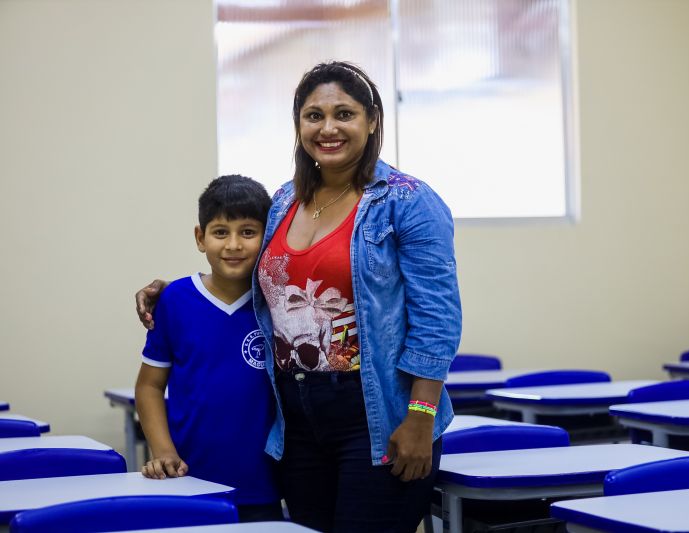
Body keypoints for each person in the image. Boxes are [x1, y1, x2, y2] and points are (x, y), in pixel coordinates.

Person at [136, 61, 461, 533]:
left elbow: (437, 318)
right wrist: (174, 292)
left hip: (376, 414)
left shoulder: (408, 200)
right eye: (314, 115)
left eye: (344, 114)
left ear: (372, 121)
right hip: (294, 421)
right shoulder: (286, 201)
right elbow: (254, 276)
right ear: (298, 125)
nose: (328, 128)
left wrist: (421, 418)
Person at [134, 175, 283, 522]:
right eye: (220, 232)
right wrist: (163, 451)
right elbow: (149, 386)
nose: (233, 244)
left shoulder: (279, 304)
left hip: (264, 483)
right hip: (188, 480)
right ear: (201, 238)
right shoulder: (175, 300)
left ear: (267, 237)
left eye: (248, 232)